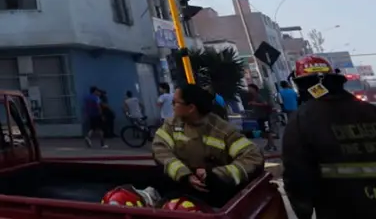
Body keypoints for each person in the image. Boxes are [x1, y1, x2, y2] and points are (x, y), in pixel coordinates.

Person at [283, 55, 376, 218]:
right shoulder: (371, 110)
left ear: (302, 85)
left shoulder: (301, 119)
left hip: (339, 209)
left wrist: (303, 210)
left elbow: (296, 171)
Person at [152, 84, 265, 208]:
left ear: (190, 108)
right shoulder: (171, 125)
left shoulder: (222, 131)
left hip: (214, 196)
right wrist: (184, 175)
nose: (172, 106)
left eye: (175, 103)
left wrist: (215, 175)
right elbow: (160, 149)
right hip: (180, 189)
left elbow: (253, 156)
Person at [246, 84, 277, 152]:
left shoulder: (258, 96)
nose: (248, 90)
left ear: (254, 89)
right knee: (265, 132)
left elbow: (265, 104)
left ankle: (273, 146)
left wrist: (255, 104)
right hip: (260, 117)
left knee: (267, 132)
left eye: (249, 88)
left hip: (264, 117)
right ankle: (269, 145)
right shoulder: (254, 97)